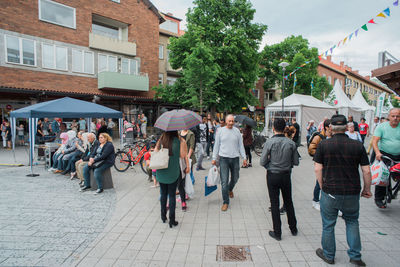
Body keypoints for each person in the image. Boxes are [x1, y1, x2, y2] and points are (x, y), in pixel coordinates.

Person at [313, 114, 372, 266]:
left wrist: (321, 185)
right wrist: (367, 189)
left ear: (330, 128)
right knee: (352, 221)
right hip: (352, 191)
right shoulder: (358, 145)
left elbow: (318, 169)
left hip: (330, 190)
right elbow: (366, 170)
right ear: (347, 127)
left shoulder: (324, 145)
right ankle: (355, 256)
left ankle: (329, 255)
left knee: (328, 224)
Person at [260, 118, 299, 241]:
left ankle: (277, 232)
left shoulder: (269, 143)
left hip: (272, 174)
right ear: (284, 128)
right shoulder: (291, 143)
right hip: (286, 174)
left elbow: (262, 161)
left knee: (274, 203)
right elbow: (296, 162)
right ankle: (293, 228)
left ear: (273, 128)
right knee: (288, 201)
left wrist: (269, 166)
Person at [212, 114, 246, 211]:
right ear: (226, 121)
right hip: (223, 159)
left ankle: (230, 189)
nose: (231, 123)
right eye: (229, 121)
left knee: (235, 178)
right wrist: (214, 158)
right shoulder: (220, 131)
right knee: (224, 182)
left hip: (235, 158)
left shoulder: (237, 132)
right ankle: (225, 202)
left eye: (232, 121)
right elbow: (216, 146)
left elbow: (240, 145)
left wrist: (244, 157)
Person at [156, 131, 189, 228]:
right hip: (173, 172)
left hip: (161, 171)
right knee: (172, 196)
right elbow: (182, 155)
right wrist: (183, 141)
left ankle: (163, 217)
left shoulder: (162, 139)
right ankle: (172, 220)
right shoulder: (178, 141)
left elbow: (155, 151)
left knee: (163, 194)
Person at [371, 108, 400, 209]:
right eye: (393, 116)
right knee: (383, 175)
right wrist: (377, 153)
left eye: (398, 116)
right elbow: (375, 141)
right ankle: (379, 198)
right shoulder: (382, 127)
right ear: (389, 116)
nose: (395, 118)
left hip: (398, 155)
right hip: (384, 154)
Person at [308, 119, 332, 211]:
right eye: (331, 126)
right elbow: (311, 149)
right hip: (321, 163)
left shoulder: (333, 137)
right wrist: (321, 155)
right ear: (327, 127)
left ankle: (327, 201)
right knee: (319, 181)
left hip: (330, 163)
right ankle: (316, 200)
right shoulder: (319, 137)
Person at [179, 128, 196, 211]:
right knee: (182, 177)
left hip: (188, 157)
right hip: (180, 159)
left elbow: (192, 146)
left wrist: (188, 157)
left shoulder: (191, 134)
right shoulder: (179, 133)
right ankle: (184, 193)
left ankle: (187, 192)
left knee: (188, 175)